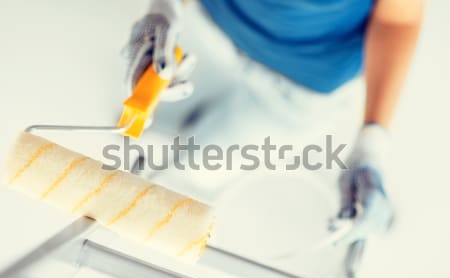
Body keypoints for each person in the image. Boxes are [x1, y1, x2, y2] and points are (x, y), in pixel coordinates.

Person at [123, 0, 423, 247]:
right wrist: (164, 9)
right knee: (161, 113)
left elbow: (398, 20)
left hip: (300, 87)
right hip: (214, 23)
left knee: (198, 169)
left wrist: (372, 147)